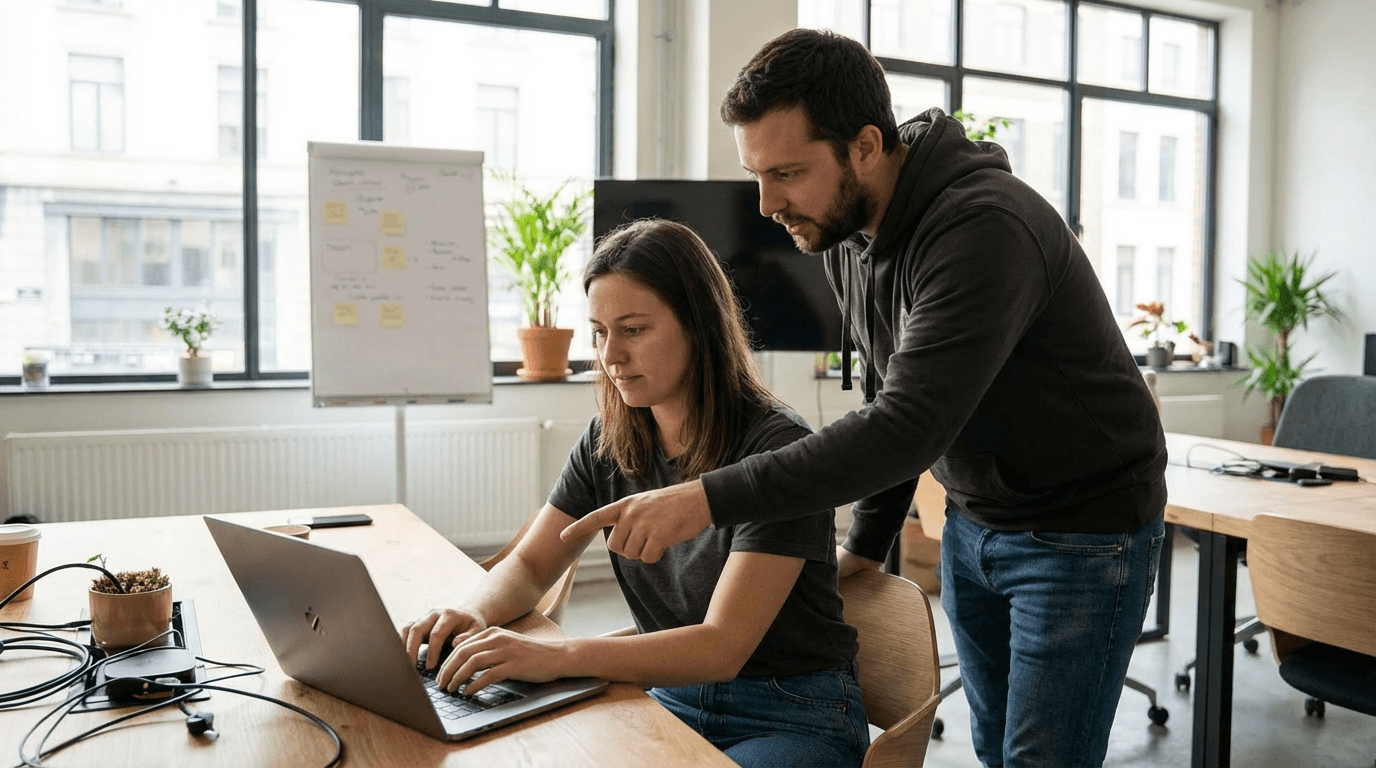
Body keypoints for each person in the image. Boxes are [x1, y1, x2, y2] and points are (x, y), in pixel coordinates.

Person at [561, 29, 1167, 768]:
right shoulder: (852, 232)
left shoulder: (983, 228)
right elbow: (891, 387)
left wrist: (704, 500)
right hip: (975, 521)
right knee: (993, 744)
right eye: (757, 173)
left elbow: (907, 426)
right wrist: (869, 545)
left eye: (786, 172)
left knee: (1041, 760)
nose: (766, 204)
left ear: (866, 147)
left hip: (1081, 530)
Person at [401, 218, 869, 768]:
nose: (610, 356)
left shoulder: (780, 451)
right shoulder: (609, 437)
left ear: (699, 326)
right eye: (599, 332)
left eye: (634, 330)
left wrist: (557, 656)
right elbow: (530, 565)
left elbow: (722, 646)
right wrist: (473, 614)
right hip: (667, 693)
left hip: (791, 712)